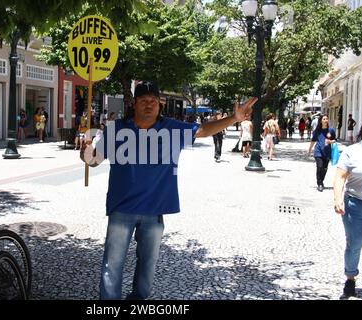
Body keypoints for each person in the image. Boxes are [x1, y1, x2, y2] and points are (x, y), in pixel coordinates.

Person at [80, 80, 257, 300]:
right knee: (112, 265)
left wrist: (234, 119)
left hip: (154, 211)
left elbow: (203, 130)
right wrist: (86, 153)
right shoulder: (117, 129)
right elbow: (95, 159)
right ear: (134, 104)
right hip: (121, 209)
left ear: (160, 105)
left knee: (148, 266)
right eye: (144, 100)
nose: (149, 104)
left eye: (153, 101)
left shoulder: (171, 129)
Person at [333, 123, 362, 298]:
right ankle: (350, 277)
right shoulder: (352, 151)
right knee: (355, 244)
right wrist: (338, 199)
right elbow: (340, 176)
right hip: (354, 204)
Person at [308, 114, 336, 192]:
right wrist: (310, 149)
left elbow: (335, 140)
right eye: (324, 119)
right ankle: (319, 183)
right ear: (321, 121)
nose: (325, 120)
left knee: (324, 168)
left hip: (327, 152)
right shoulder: (317, 131)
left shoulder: (331, 130)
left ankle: (321, 180)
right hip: (318, 151)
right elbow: (313, 140)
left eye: (326, 119)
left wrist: (330, 141)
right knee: (319, 166)